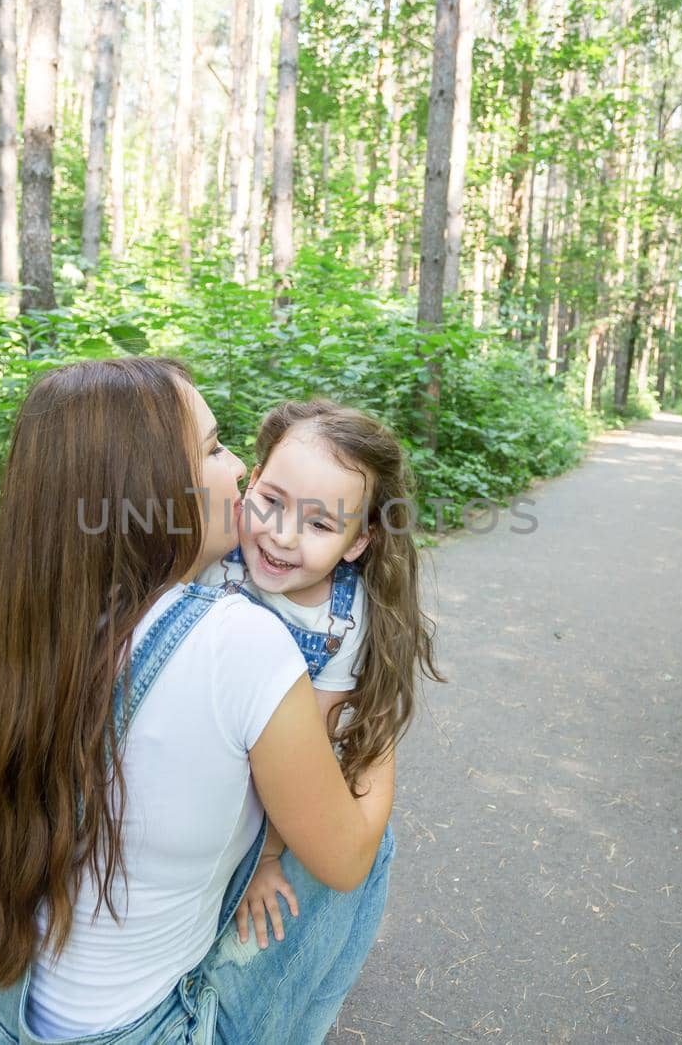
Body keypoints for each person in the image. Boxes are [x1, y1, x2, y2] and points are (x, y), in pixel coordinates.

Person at [0, 358, 397, 1045]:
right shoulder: (240, 642)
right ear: (147, 487)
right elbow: (343, 860)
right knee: (366, 834)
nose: (239, 471)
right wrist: (377, 727)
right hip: (132, 1032)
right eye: (213, 447)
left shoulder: (51, 615)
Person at [200, 401, 438, 953]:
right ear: (251, 482)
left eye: (321, 523)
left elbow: (317, 745)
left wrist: (267, 856)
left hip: (273, 777)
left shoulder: (344, 620)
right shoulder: (216, 553)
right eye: (271, 501)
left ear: (358, 541)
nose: (283, 536)